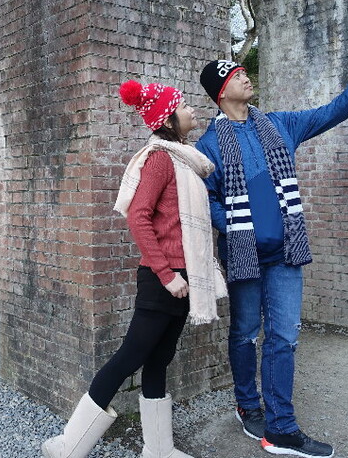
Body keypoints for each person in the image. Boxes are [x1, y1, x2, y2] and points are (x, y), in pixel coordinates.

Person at [195, 39, 348, 458]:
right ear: (220, 91)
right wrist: (233, 226)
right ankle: (248, 406)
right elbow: (204, 197)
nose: (245, 76)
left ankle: (280, 427)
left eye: (244, 71)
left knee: (283, 336)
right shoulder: (206, 146)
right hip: (243, 255)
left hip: (286, 254)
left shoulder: (280, 125)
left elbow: (330, 113)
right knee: (244, 333)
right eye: (235, 74)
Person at [42, 79, 227, 458]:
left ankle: (158, 449)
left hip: (185, 274)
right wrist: (166, 275)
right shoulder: (160, 159)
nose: (192, 110)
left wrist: (182, 276)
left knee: (159, 359)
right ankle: (69, 444)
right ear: (169, 118)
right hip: (165, 279)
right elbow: (138, 217)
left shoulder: (184, 159)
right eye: (184, 105)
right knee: (130, 356)